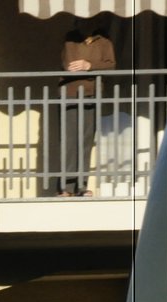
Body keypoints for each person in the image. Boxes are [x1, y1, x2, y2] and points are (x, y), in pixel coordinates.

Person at [44, 15, 116, 197]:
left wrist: (89, 65)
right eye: (81, 20)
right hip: (69, 93)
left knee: (85, 140)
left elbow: (111, 65)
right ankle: (65, 187)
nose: (85, 22)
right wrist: (86, 67)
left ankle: (82, 186)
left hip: (92, 94)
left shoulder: (104, 42)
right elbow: (69, 64)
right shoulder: (70, 39)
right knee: (69, 140)